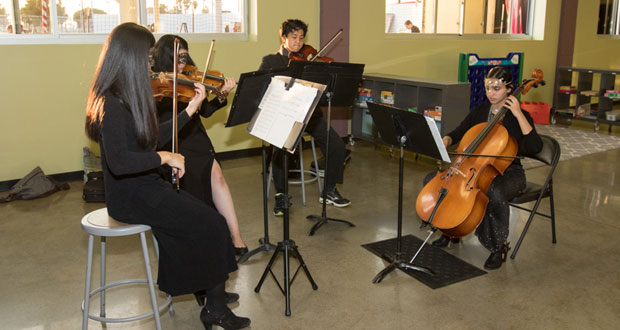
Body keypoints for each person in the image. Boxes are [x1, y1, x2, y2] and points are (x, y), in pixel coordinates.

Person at [84, 23, 250, 330]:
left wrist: (191, 109)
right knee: (212, 224)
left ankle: (212, 291)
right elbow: (120, 163)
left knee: (206, 221)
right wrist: (165, 156)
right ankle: (213, 307)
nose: (151, 62)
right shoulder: (112, 104)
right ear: (130, 57)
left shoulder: (127, 96)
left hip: (144, 185)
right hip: (130, 196)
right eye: (147, 55)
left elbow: (150, 137)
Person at [424, 66, 542, 270]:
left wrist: (517, 113)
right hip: (475, 169)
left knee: (494, 192)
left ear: (509, 89)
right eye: (488, 88)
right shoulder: (480, 111)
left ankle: (499, 247)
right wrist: (448, 138)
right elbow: (461, 130)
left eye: (496, 88)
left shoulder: (518, 116)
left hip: (509, 173)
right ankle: (450, 230)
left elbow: (535, 147)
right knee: (433, 181)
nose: (491, 93)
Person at [151, 34, 248, 258]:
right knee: (193, 191)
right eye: (178, 55)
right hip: (171, 140)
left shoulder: (191, 75)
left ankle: (236, 238)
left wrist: (222, 96)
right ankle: (200, 240)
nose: (183, 59)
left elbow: (204, 112)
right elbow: (155, 127)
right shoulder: (157, 81)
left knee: (218, 178)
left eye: (185, 53)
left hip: (195, 136)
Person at [259, 18, 351, 216]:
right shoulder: (271, 61)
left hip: (309, 114)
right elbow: (262, 89)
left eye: (301, 38)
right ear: (283, 37)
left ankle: (328, 190)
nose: (298, 43)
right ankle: (281, 195)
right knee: (281, 148)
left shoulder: (309, 60)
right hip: (284, 115)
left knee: (336, 145)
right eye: (293, 37)